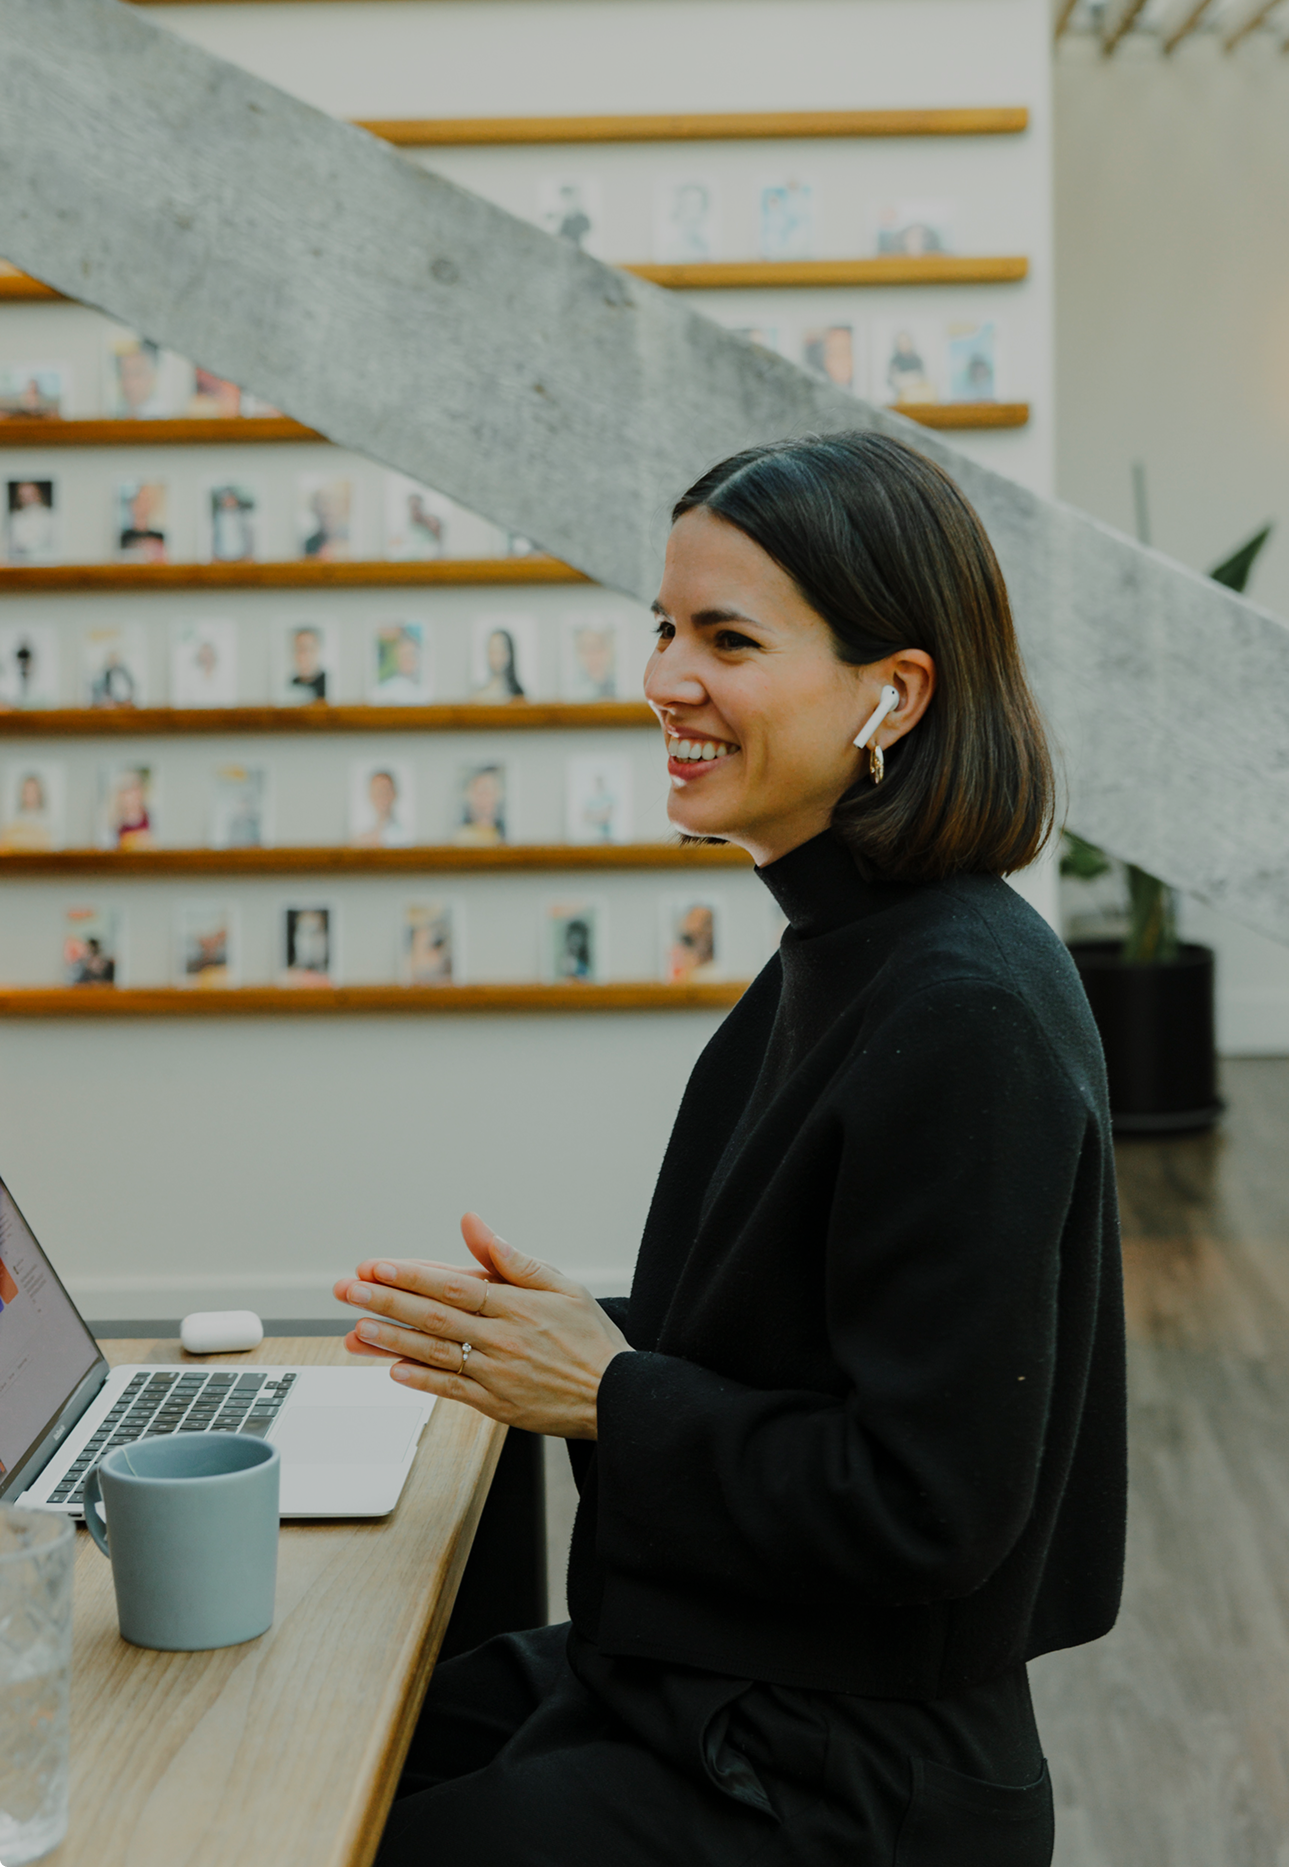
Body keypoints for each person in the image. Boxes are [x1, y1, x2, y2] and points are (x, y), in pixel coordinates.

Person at [336, 432, 1127, 1867]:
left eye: (728, 639)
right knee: (329, 1742)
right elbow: (817, 1347)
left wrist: (609, 1390)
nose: (664, 681)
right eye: (663, 628)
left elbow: (927, 1505)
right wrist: (552, 1345)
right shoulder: (853, 945)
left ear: (894, 692)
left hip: (840, 1776)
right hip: (711, 1675)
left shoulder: (963, 1013)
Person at [471, 626, 526, 701]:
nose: (495, 658)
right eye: (491, 652)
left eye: (499, 651)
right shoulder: (479, 694)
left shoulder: (518, 695)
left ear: (509, 654)